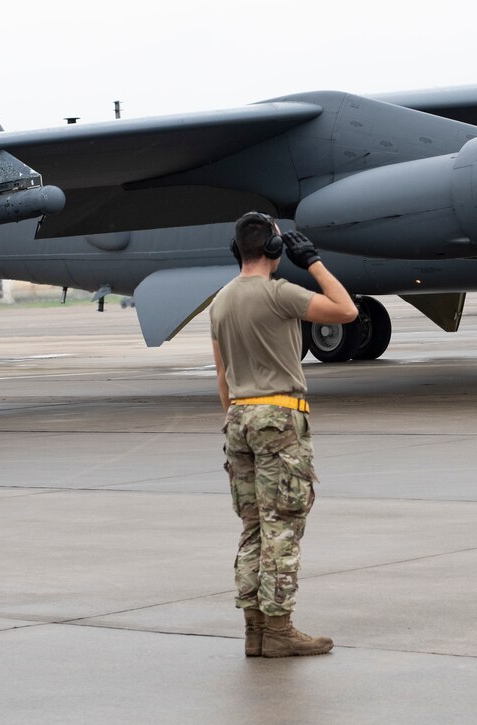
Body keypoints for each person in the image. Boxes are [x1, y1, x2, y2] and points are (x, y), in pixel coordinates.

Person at [210, 212, 357, 658]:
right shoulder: (281, 294)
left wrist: (238, 419)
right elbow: (346, 310)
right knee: (283, 528)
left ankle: (255, 631)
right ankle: (279, 629)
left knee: (253, 527)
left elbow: (222, 377)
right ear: (275, 250)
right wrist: (312, 261)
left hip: (238, 417)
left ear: (237, 250)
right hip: (278, 415)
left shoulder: (220, 301)